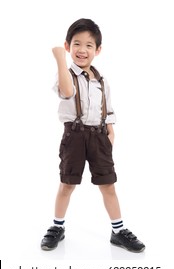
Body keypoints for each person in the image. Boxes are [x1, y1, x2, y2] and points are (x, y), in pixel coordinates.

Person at [41, 18, 145, 253]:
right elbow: (67, 92)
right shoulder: (65, 74)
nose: (82, 50)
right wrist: (59, 58)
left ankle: (118, 231)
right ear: (68, 47)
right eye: (77, 44)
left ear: (97, 50)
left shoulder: (102, 80)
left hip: (99, 137)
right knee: (67, 183)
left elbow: (107, 109)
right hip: (74, 137)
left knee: (108, 184)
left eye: (89, 45)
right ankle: (58, 226)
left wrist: (110, 131)